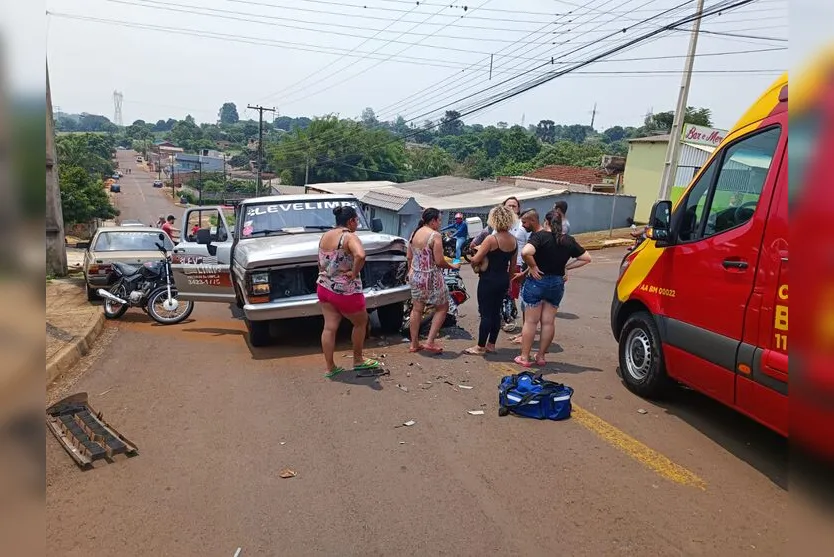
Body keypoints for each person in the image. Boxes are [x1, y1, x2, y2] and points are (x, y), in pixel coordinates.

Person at [516, 211, 591, 368]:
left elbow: (525, 252)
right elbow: (586, 258)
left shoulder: (540, 237)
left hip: (537, 280)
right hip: (557, 283)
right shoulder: (568, 240)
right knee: (548, 322)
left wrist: (533, 266)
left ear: (546, 222)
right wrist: (566, 266)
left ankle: (524, 357)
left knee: (530, 322)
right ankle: (541, 356)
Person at [316, 205, 381, 377]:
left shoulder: (325, 236)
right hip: (346, 291)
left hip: (324, 287)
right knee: (361, 322)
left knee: (329, 327)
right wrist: (354, 272)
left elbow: (320, 262)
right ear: (351, 221)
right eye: (357, 221)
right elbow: (360, 255)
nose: (357, 224)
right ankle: (358, 360)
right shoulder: (349, 237)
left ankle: (330, 368)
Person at [464, 205, 517, 356]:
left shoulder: (491, 239)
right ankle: (491, 345)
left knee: (486, 313)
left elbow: (476, 260)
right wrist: (509, 283)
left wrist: (472, 257)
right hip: (503, 279)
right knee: (496, 313)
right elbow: (512, 268)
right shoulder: (513, 241)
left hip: (488, 280)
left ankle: (480, 346)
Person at [408, 208, 461, 354]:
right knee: (442, 308)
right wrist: (453, 265)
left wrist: (410, 271)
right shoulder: (435, 236)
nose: (440, 223)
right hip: (431, 277)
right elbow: (439, 261)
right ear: (433, 221)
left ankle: (414, 344)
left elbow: (409, 256)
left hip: (416, 275)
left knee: (417, 309)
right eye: (439, 220)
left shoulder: (414, 233)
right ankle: (430, 342)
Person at [508, 209, 543, 344]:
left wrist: (528, 270)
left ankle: (527, 336)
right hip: (526, 273)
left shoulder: (537, 237)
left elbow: (532, 256)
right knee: (524, 306)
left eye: (524, 222)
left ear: (533, 221)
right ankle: (524, 334)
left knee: (528, 307)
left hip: (532, 277)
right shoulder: (534, 234)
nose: (522, 225)